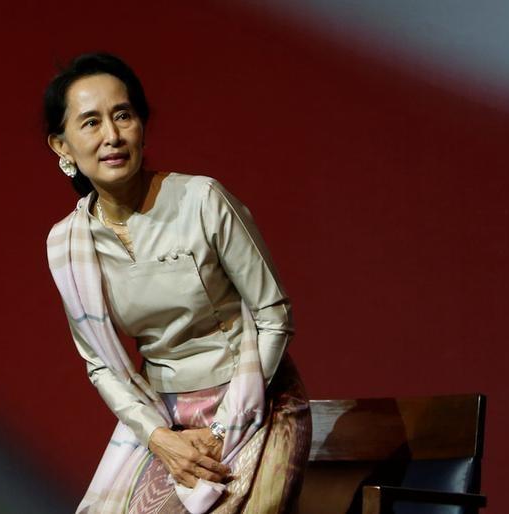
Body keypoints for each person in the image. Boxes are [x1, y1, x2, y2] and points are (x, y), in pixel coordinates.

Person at [44, 53, 311, 514]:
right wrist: (159, 437)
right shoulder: (67, 245)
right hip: (167, 422)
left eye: (123, 115)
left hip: (256, 404)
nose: (112, 135)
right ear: (62, 146)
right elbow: (102, 366)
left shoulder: (201, 200)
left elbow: (274, 317)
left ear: (142, 126)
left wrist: (223, 429)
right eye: (90, 123)